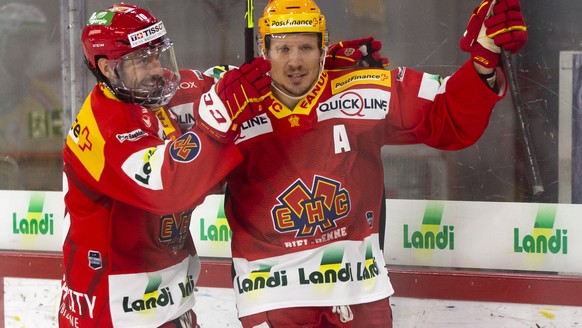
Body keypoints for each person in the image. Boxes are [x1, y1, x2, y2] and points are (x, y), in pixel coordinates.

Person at [202, 0, 527, 326]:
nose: (295, 61)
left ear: (323, 48)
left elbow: (448, 116)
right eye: (283, 49)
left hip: (358, 294)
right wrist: (215, 118)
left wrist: (484, 55)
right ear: (265, 50)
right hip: (273, 298)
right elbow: (182, 160)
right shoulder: (234, 100)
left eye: (306, 47)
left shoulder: (361, 88)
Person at [58, 3, 271, 327]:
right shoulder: (103, 127)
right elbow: (167, 189)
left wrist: (317, 71)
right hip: (113, 315)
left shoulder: (156, 93)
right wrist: (221, 115)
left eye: (158, 55)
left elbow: (233, 84)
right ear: (107, 68)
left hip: (170, 307)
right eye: (143, 60)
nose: (157, 69)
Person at [0, 2, 62, 190]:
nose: (30, 51)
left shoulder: (44, 103)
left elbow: (51, 170)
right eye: (21, 41)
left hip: (21, 208)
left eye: (34, 42)